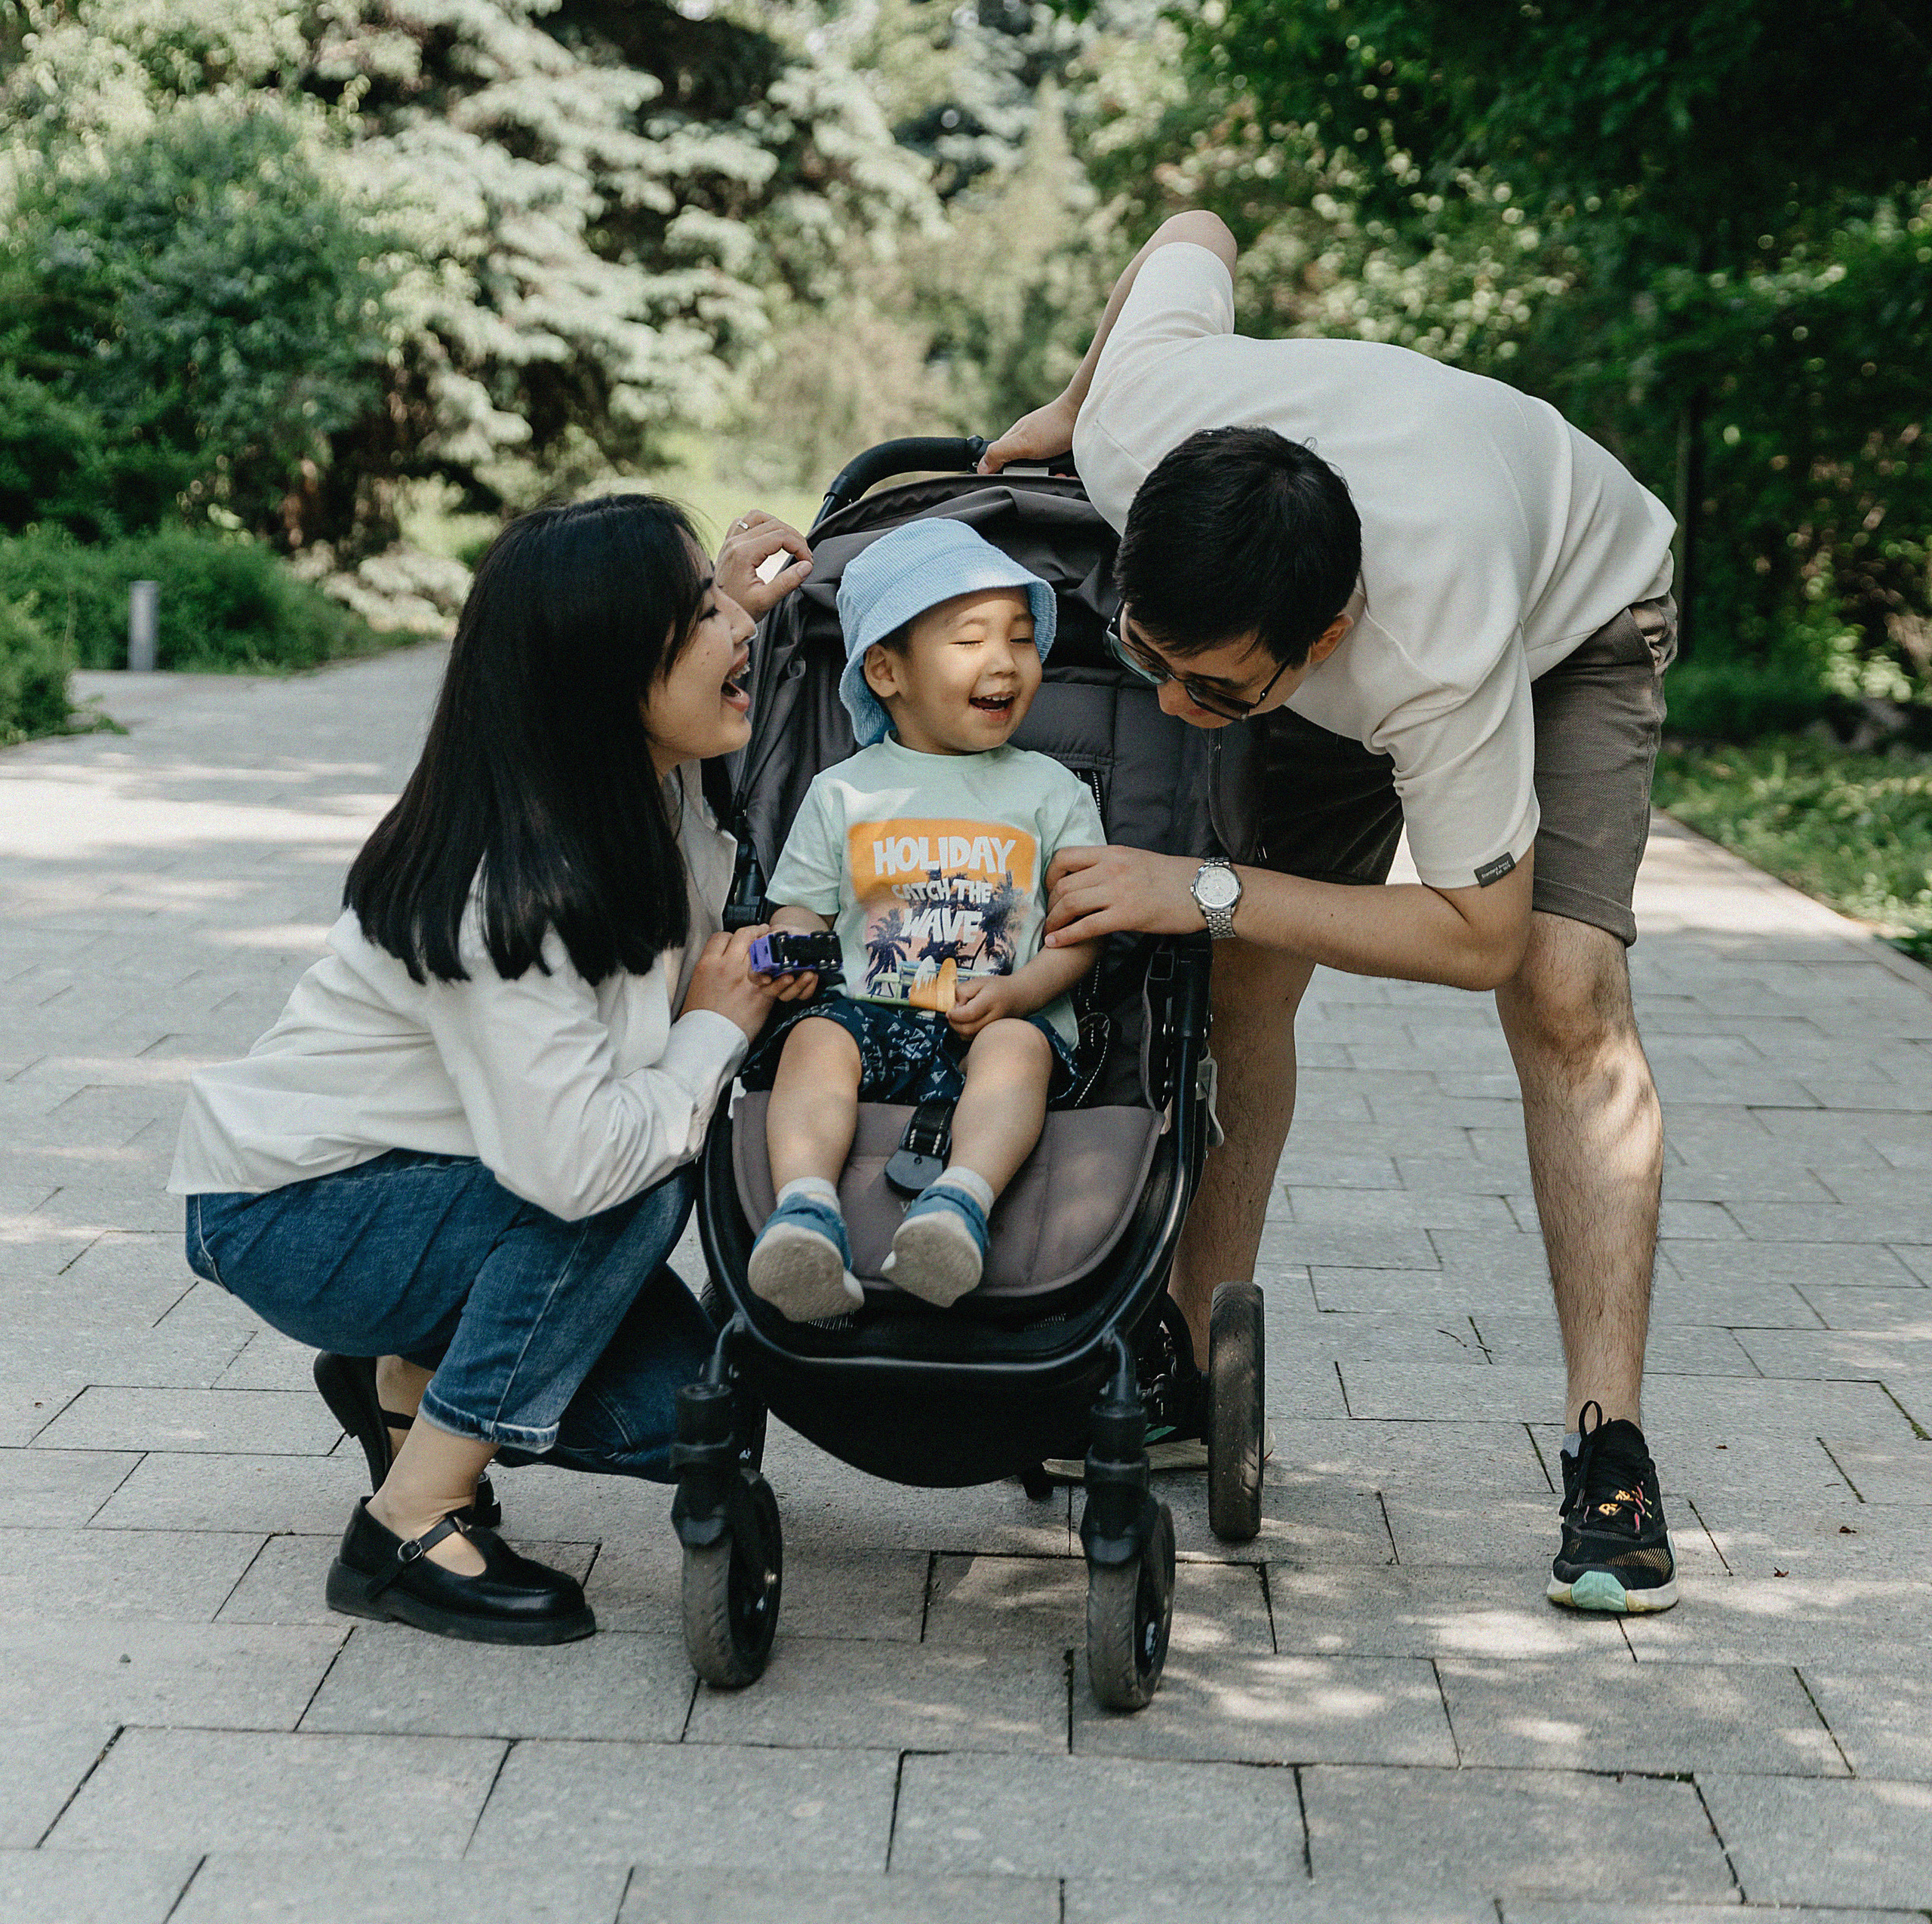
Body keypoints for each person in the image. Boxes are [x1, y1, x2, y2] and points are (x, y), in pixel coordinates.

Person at [984, 213, 1681, 1615]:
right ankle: (1184, 1364)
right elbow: (1196, 228)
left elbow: (1472, 932)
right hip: (1317, 578)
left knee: (1557, 987)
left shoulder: (1433, 640)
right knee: (1238, 976)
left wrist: (1205, 886)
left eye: (1215, 695)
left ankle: (1610, 1451)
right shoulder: (1141, 428)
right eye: (1150, 661)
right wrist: (1073, 403)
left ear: (1328, 640)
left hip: (1572, 615)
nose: (1179, 712)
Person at [168, 493, 814, 1647]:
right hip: (294, 1211)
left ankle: (405, 1384)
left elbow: (642, 726)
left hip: (437, 1178)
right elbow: (580, 1169)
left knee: (689, 1425)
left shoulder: (619, 788)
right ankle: (405, 1525)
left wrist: (711, 602)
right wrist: (716, 1027)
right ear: (607, 671)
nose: (741, 631)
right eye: (703, 616)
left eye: (723, 606)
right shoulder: (509, 889)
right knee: (631, 1174)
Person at [743, 518, 1105, 1320]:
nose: (1005, 662)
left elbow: (1081, 933)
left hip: (997, 1017)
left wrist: (1021, 994)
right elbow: (799, 904)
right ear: (885, 671)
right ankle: (804, 1211)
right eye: (970, 639)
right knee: (812, 1041)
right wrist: (792, 950)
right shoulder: (845, 791)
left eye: (1020, 637)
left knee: (1018, 1051)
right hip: (864, 1012)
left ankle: (958, 1205)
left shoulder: (1052, 791)